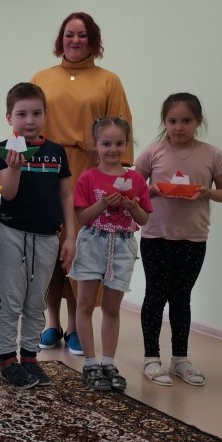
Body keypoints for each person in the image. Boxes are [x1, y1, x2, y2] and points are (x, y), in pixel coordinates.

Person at [31, 12, 132, 355]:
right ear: (61, 39)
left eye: (83, 35)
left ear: (93, 40)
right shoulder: (42, 77)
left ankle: (75, 326)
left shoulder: (109, 80)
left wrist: (116, 176)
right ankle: (52, 323)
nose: (75, 40)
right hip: (47, 168)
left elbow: (121, 129)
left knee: (80, 251)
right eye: (69, 34)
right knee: (48, 249)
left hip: (88, 171)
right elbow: (27, 121)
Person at [134, 93, 222, 386]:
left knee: (181, 297)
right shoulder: (153, 152)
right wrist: (153, 190)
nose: (179, 127)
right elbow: (134, 191)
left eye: (186, 120)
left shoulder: (212, 154)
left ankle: (180, 359)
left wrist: (207, 192)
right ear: (164, 122)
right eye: (173, 121)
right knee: (155, 295)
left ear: (198, 122)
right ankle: (151, 357)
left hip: (193, 238)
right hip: (156, 235)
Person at [0, 82, 75, 388]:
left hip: (47, 236)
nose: (30, 120)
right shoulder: (3, 150)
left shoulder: (56, 152)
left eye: (37, 113)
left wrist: (70, 237)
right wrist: (15, 166)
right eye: (22, 114)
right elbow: (8, 194)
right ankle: (7, 360)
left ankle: (30, 357)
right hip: (11, 233)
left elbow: (66, 196)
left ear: (45, 115)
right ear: (9, 117)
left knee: (36, 299)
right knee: (11, 299)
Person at [68, 117, 151, 391]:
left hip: (123, 245)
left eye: (119, 143)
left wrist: (132, 206)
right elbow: (82, 218)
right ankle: (90, 363)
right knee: (85, 303)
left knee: (112, 308)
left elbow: (144, 219)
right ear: (95, 145)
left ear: (127, 144)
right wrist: (103, 203)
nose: (113, 149)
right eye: (106, 143)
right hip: (93, 242)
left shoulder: (135, 179)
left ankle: (108, 362)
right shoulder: (88, 178)